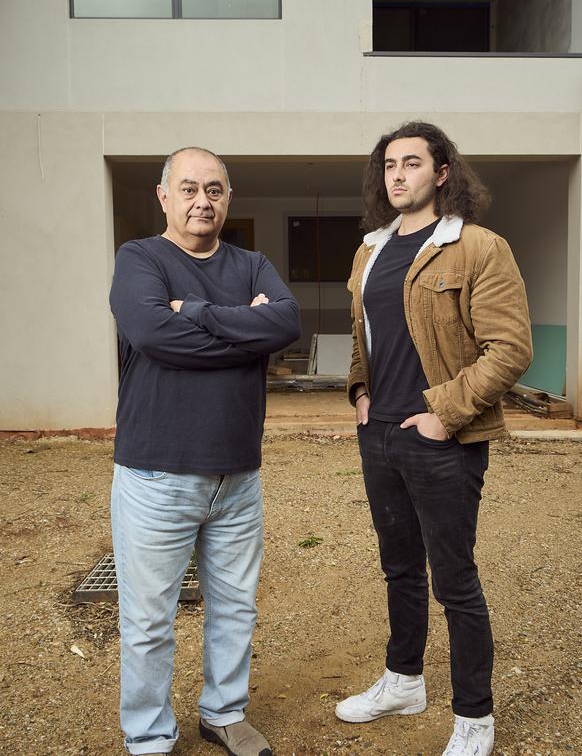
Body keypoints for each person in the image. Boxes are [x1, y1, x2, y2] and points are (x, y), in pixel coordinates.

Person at [335, 122, 532, 756]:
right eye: (388, 165)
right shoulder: (369, 251)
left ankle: (475, 716)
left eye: (411, 163)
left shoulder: (477, 248)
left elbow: (510, 350)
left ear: (441, 173)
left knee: (454, 580)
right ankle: (404, 680)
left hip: (441, 438)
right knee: (399, 569)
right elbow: (364, 339)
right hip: (380, 436)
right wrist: (360, 394)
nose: (397, 175)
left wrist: (446, 414)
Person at [109, 147, 300, 756]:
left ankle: (223, 712)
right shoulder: (139, 258)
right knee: (147, 620)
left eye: (214, 190)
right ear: (163, 196)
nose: (202, 201)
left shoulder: (253, 262)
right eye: (188, 188)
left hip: (238, 475)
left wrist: (192, 313)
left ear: (228, 199)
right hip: (156, 474)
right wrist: (245, 330)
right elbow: (150, 334)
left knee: (235, 607)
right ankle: (149, 736)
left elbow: (286, 323)